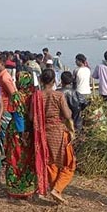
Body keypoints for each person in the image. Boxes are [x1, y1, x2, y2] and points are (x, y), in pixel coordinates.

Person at [40, 69, 76, 203]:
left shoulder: (37, 96)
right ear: (54, 80)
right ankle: (57, 189)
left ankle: (55, 188)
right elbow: (67, 115)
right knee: (69, 163)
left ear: (41, 80)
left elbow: (32, 116)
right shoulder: (58, 95)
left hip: (44, 132)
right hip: (58, 132)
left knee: (51, 162)